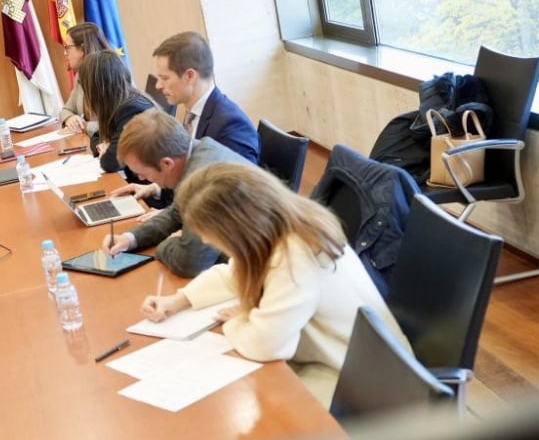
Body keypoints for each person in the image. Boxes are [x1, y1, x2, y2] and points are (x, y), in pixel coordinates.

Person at [139, 163, 406, 406]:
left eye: (209, 234)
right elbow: (235, 273)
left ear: (237, 229)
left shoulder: (294, 254)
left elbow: (266, 345)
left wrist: (241, 319)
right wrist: (178, 300)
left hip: (360, 383)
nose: (207, 242)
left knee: (256, 409)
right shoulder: (283, 224)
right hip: (342, 359)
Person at [102, 108, 249, 277]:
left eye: (143, 173)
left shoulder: (203, 183)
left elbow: (191, 263)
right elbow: (175, 213)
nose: (141, 179)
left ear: (167, 164)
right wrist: (129, 239)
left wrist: (168, 243)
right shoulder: (197, 151)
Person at [152, 32, 259, 164]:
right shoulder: (192, 114)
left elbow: (240, 177)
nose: (158, 85)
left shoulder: (231, 125)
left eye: (165, 78)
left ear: (190, 76)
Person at [78, 51, 155, 183]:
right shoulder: (120, 101)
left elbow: (111, 162)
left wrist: (108, 149)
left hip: (147, 186)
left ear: (97, 88)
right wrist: (103, 146)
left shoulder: (129, 110)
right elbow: (96, 136)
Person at [59, 22, 113, 135]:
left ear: (83, 49)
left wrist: (83, 126)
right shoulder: (81, 74)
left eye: (68, 47)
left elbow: (115, 124)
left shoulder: (108, 76)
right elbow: (66, 109)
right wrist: (70, 119)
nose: (65, 53)